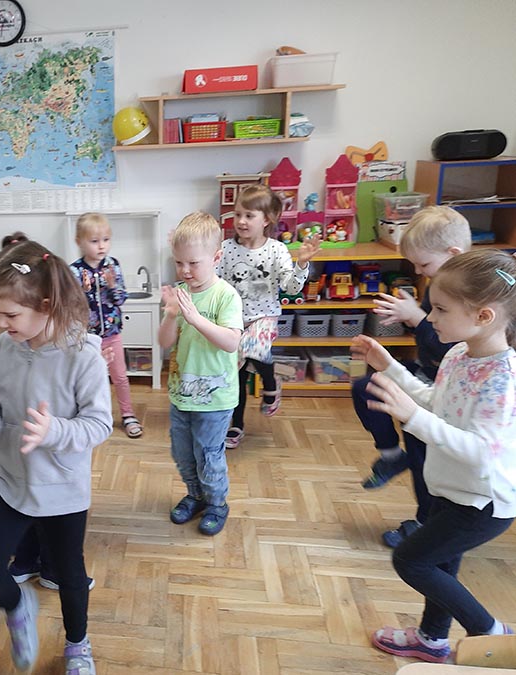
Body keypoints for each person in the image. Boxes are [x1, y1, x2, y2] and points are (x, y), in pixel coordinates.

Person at [0, 241, 112, 674]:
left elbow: (99, 425)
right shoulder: (3, 347)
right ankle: (18, 606)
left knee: (70, 576)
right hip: (10, 482)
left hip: (62, 490)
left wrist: (53, 431)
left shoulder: (83, 356)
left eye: (10, 315)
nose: (1, 325)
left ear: (46, 305)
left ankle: (78, 645)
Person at [353, 249, 516, 664]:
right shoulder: (460, 354)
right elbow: (437, 402)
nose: (430, 318)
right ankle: (431, 639)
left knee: (411, 560)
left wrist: (413, 418)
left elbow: (481, 452)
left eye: (440, 309)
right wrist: (390, 368)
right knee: (442, 565)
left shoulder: (501, 378)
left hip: (481, 502)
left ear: (483, 316)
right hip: (451, 489)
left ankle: (490, 632)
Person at [352, 206, 471, 547]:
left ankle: (425, 523)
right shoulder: (438, 285)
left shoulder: (470, 297)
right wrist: (411, 318)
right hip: (427, 375)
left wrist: (417, 319)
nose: (418, 272)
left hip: (449, 389)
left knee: (423, 457)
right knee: (367, 387)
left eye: (423, 265)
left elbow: (451, 350)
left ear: (453, 254)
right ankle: (392, 457)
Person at [217, 185, 322, 448]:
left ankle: (270, 383)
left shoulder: (277, 250)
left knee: (254, 348)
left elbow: (291, 288)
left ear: (267, 219)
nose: (241, 221)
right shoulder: (226, 248)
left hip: (264, 317)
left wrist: (301, 264)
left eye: (249, 215)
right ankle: (236, 424)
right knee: (237, 375)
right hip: (233, 320)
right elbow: (214, 280)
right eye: (238, 214)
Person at [159, 211, 243, 536]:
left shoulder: (225, 295)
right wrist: (171, 316)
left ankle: (216, 503)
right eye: (179, 262)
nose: (185, 270)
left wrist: (196, 319)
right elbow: (165, 342)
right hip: (181, 394)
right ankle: (195, 495)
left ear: (216, 258)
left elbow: (231, 342)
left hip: (215, 399)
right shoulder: (180, 293)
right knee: (183, 454)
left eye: (193, 263)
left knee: (208, 455)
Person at [70, 212, 143, 439]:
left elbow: (120, 299)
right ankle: (90, 415)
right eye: (94, 241)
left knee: (119, 376)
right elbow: (71, 305)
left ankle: (128, 414)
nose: (101, 246)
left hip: (112, 334)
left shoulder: (113, 266)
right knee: (89, 378)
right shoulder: (74, 271)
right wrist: (82, 291)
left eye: (106, 240)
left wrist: (112, 287)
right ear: (79, 242)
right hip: (86, 337)